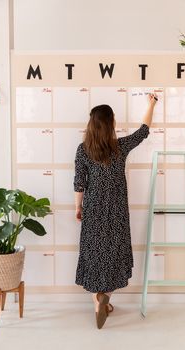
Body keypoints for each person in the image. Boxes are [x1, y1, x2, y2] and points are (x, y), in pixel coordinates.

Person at [74, 93, 157, 329]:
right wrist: (151, 103)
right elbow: (143, 131)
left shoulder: (83, 150)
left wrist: (78, 207)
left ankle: (97, 300)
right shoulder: (120, 147)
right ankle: (106, 296)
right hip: (117, 211)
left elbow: (79, 183)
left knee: (94, 255)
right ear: (111, 124)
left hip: (93, 211)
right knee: (114, 254)